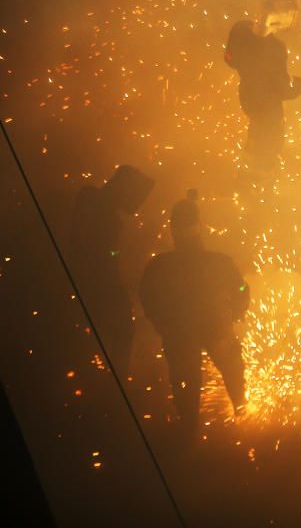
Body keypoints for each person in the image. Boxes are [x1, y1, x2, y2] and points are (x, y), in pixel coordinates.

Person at [139, 190, 250, 440]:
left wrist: (160, 323)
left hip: (180, 332)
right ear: (199, 227)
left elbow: (147, 297)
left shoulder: (160, 265)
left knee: (186, 380)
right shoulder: (219, 261)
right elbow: (241, 288)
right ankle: (242, 412)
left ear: (173, 230)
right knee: (230, 367)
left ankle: (189, 428)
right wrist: (237, 311)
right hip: (213, 326)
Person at [69, 164, 154, 376]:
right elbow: (88, 248)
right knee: (117, 330)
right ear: (125, 189)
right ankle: (113, 385)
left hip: (99, 282)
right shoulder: (94, 202)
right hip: (91, 283)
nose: (136, 206)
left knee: (120, 330)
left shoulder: (105, 208)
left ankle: (112, 380)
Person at [224, 0, 301, 171]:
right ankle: (261, 174)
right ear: (278, 20)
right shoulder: (276, 49)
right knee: (270, 141)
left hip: (247, 94)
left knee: (256, 132)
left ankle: (249, 167)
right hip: (268, 104)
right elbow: (283, 89)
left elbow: (230, 60)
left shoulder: (240, 28)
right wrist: (299, 86)